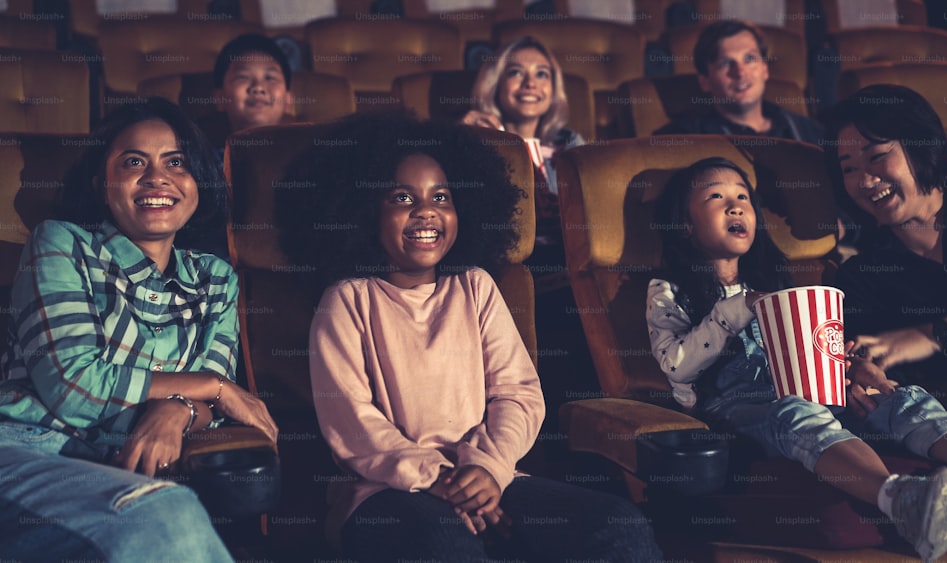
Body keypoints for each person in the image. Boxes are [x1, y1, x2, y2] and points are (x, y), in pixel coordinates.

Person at [286, 113, 662, 562]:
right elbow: (352, 425)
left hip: (491, 477)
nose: (426, 210)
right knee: (445, 545)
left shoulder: (476, 287)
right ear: (364, 210)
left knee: (618, 524)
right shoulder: (346, 300)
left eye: (441, 197)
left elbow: (518, 395)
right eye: (402, 197)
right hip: (385, 492)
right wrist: (444, 480)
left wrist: (485, 470)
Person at [646, 156, 947, 561]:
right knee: (796, 412)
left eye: (743, 196)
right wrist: (734, 310)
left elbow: (810, 350)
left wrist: (852, 370)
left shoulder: (775, 284)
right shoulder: (668, 289)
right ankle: (902, 499)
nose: (736, 205)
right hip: (738, 405)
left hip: (810, 388)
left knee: (898, 397)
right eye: (716, 196)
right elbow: (675, 365)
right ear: (685, 225)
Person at [0, 98, 279, 562]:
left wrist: (178, 410)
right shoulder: (60, 243)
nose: (157, 178)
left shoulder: (215, 279)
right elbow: (74, 385)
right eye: (134, 162)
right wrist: (209, 387)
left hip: (125, 471)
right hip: (29, 450)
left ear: (198, 184)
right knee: (168, 516)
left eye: (177, 163)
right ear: (101, 183)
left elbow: (210, 403)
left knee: (166, 514)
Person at [827, 84, 947, 394]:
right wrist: (864, 383)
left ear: (921, 146)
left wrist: (931, 335)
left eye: (877, 156)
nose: (865, 181)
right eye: (849, 168)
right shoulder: (861, 278)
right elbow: (878, 374)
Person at [461, 36, 584, 252]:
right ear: (495, 84)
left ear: (554, 90)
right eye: (516, 72)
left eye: (542, 74)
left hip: (567, 260)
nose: (530, 84)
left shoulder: (569, 143)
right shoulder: (476, 142)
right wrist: (460, 141)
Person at [652, 20, 822, 146]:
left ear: (765, 69)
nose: (740, 73)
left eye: (749, 59)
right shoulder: (681, 140)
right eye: (725, 63)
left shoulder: (807, 130)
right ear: (705, 81)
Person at [202, 33, 294, 152]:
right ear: (220, 98)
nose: (258, 87)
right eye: (243, 77)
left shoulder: (309, 159)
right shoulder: (208, 163)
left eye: (270, 78)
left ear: (288, 100)